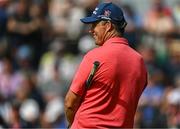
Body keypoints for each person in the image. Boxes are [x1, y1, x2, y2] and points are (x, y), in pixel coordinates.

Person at [64, 2, 147, 128]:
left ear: (108, 25)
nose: (91, 30)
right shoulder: (139, 61)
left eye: (94, 25)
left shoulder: (94, 56)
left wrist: (72, 124)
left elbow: (70, 103)